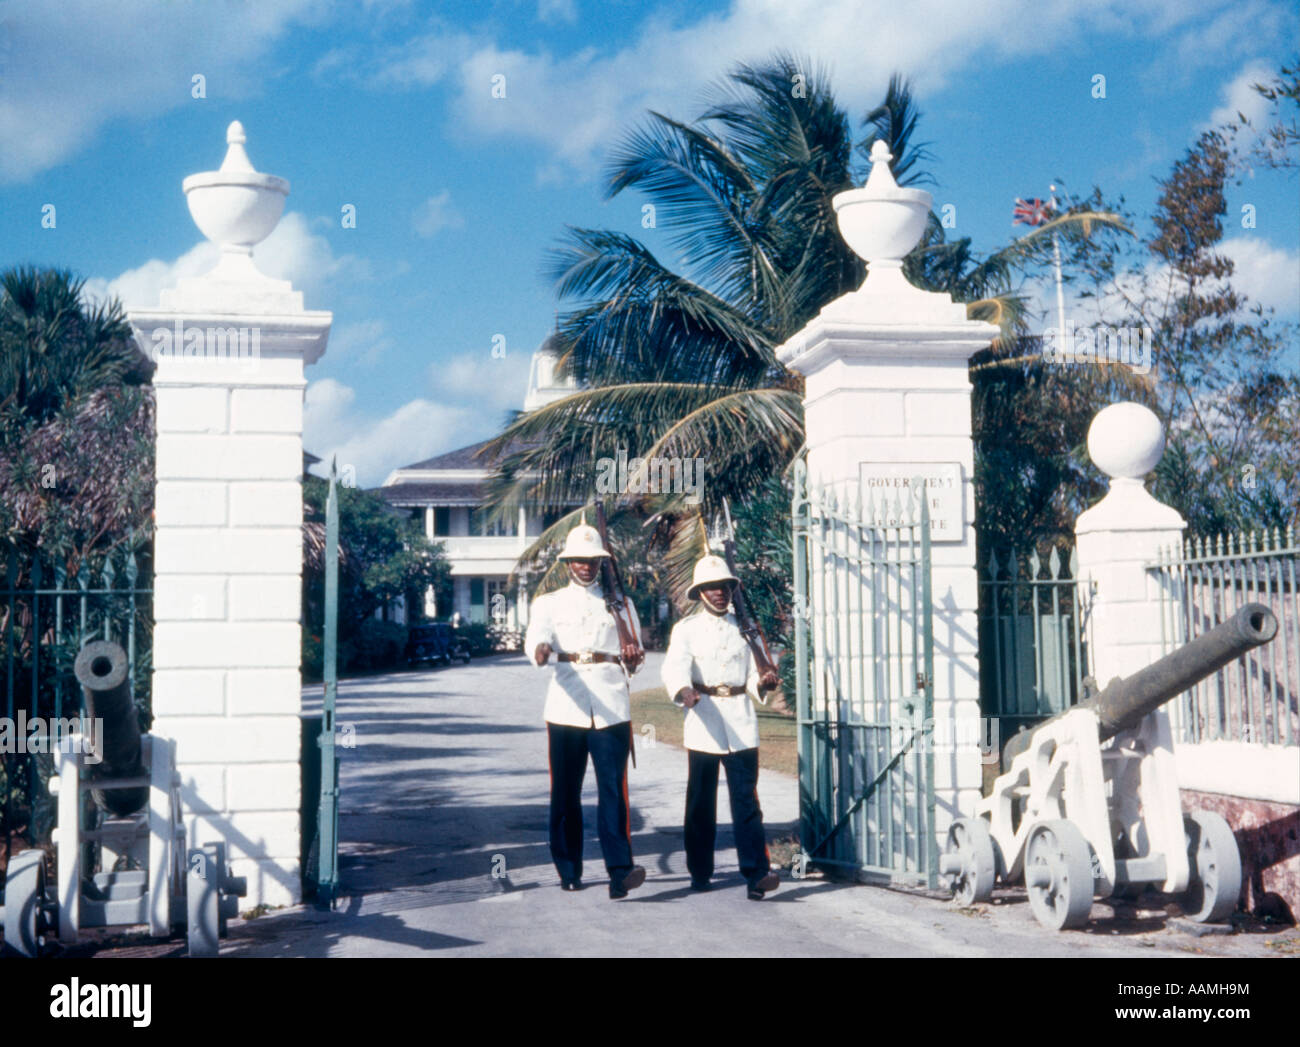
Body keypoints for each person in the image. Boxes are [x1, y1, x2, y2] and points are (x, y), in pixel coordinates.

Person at [524, 521, 647, 899]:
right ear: (567, 564)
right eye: (578, 560)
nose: (586, 566)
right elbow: (536, 641)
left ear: (602, 563)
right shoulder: (548, 603)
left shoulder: (622, 605)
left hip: (610, 705)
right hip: (566, 705)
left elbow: (636, 657)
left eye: (592, 560)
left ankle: (620, 871)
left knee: (613, 791)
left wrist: (631, 657)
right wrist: (541, 652)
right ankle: (568, 867)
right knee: (565, 792)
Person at [661, 554, 781, 900]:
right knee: (701, 802)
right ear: (700, 592)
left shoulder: (747, 628)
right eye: (712, 588)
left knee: (746, 802)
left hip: (741, 719)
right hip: (704, 718)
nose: (720, 593)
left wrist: (765, 681)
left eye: (725, 587)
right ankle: (700, 871)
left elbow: (755, 673)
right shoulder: (686, 630)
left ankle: (756, 874)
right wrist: (684, 691)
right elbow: (674, 668)